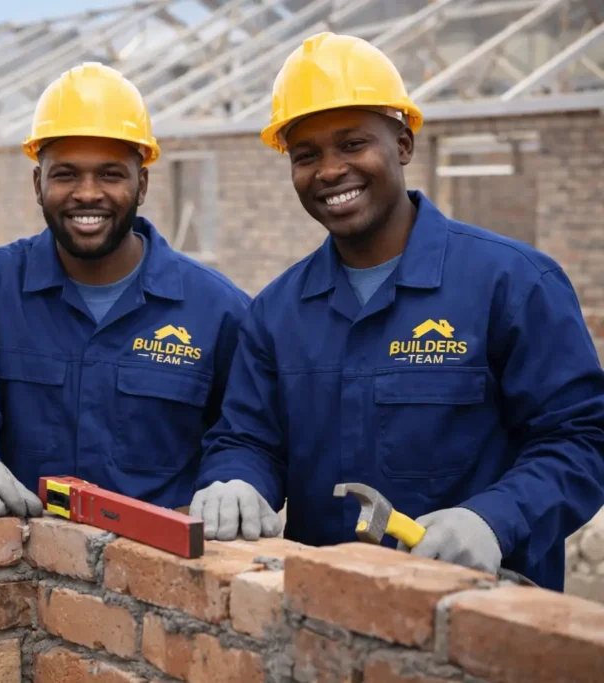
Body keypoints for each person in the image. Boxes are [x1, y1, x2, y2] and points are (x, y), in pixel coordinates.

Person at [191, 32, 604, 591]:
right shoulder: (276, 313)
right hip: (327, 618)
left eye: (353, 143)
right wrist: (234, 479)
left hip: (484, 616)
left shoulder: (512, 284)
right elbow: (247, 439)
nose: (330, 170)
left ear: (403, 144)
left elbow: (581, 438)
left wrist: (494, 519)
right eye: (306, 155)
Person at [0, 62, 250, 521]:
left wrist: (234, 482)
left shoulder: (217, 309)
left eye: (111, 175)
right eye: (66, 175)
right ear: (39, 185)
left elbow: (242, 433)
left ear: (142, 184)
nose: (87, 193)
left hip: (162, 570)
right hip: (23, 565)